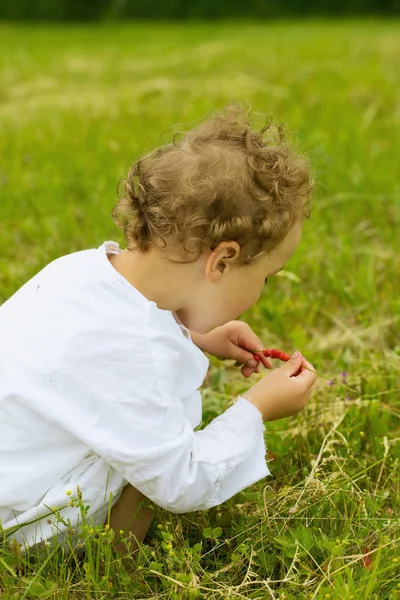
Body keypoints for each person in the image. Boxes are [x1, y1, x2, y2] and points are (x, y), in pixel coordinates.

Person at [0, 103, 317, 553]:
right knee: (156, 459)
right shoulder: (137, 354)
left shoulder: (79, 271)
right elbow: (182, 482)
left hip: (14, 465)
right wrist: (256, 409)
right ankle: (116, 548)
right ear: (222, 260)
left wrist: (199, 335)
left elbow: (107, 344)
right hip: (23, 517)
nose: (264, 288)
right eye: (266, 276)